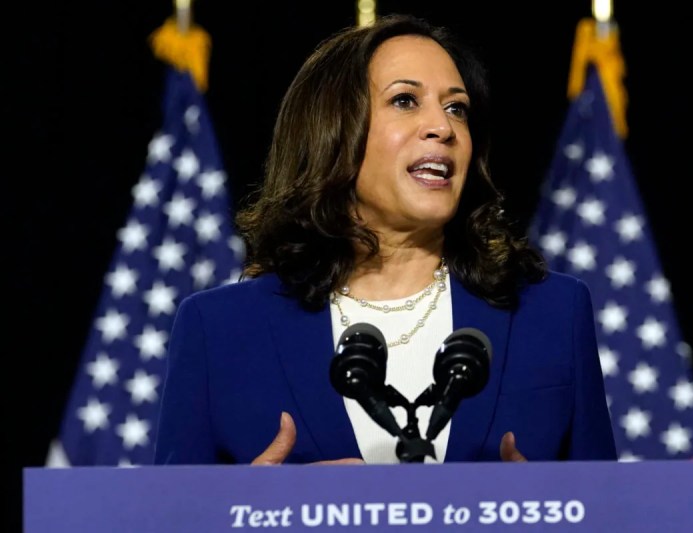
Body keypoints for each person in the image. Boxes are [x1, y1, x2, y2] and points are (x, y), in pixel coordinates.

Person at [153, 13, 617, 466]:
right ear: (333, 130)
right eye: (405, 101)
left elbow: (608, 515)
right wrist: (258, 510)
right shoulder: (219, 331)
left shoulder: (553, 313)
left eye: (457, 107)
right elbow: (171, 519)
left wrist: (550, 511)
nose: (444, 127)